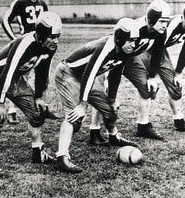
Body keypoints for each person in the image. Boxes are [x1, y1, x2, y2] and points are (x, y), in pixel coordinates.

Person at [111, 0, 185, 141]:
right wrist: (152, 75)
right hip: (143, 51)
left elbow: (184, 50)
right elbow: (147, 46)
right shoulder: (169, 25)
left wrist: (178, 73)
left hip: (159, 52)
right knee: (145, 87)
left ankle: (178, 120)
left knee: (174, 85)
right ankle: (135, 124)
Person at [54, 18, 140, 173]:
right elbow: (89, 73)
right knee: (74, 116)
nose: (133, 45)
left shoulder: (125, 51)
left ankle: (114, 136)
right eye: (130, 41)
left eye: (135, 41)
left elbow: (115, 74)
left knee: (109, 110)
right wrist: (82, 104)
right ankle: (62, 156)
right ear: (120, 39)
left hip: (86, 77)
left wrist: (112, 99)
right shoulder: (105, 47)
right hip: (68, 73)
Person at [0, 11, 61, 171]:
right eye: (51, 37)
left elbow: (43, 71)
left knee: (36, 112)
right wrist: (0, 102)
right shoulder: (25, 43)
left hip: (15, 78)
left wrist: (39, 96)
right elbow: (7, 72)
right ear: (40, 35)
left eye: (57, 36)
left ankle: (38, 151)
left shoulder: (50, 46)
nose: (55, 40)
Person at [105, 0, 173, 141]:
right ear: (151, 20)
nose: (165, 25)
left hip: (132, 57)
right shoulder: (137, 28)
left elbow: (158, 52)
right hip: (114, 56)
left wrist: (153, 77)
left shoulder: (161, 31)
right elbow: (118, 59)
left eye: (166, 21)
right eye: (161, 21)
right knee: (106, 93)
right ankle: (95, 129)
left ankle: (143, 125)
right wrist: (111, 87)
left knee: (146, 87)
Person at [1, 0, 53, 124]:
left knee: (44, 76)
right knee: (20, 77)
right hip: (26, 46)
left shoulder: (42, 4)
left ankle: (40, 103)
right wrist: (14, 39)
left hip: (41, 46)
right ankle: (12, 110)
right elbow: (5, 20)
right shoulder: (20, 2)